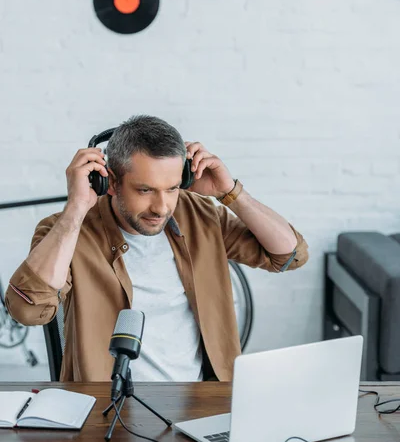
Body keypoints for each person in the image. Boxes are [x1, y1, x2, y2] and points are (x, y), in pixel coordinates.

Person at [5, 115, 308, 382]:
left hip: (201, 404)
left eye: (173, 188)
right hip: (107, 411)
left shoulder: (201, 216)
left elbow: (289, 255)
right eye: (145, 190)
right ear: (109, 182)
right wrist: (75, 209)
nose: (162, 208)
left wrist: (229, 193)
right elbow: (27, 310)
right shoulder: (67, 229)